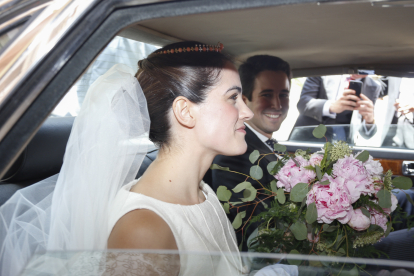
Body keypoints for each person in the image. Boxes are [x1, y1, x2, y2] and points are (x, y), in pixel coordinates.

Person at [1, 41, 259, 276]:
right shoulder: (144, 229)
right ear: (185, 112)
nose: (247, 112)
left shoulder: (203, 193)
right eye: (233, 98)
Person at [209, 55, 291, 251]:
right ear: (245, 100)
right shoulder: (234, 156)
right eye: (266, 94)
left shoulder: (270, 146)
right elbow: (249, 233)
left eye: (283, 94)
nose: (277, 105)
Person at [295, 75, 381, 141]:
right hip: (308, 137)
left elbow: (366, 135)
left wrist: (369, 120)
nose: (357, 73)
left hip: (343, 143)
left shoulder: (374, 86)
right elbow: (303, 103)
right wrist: (331, 107)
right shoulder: (323, 74)